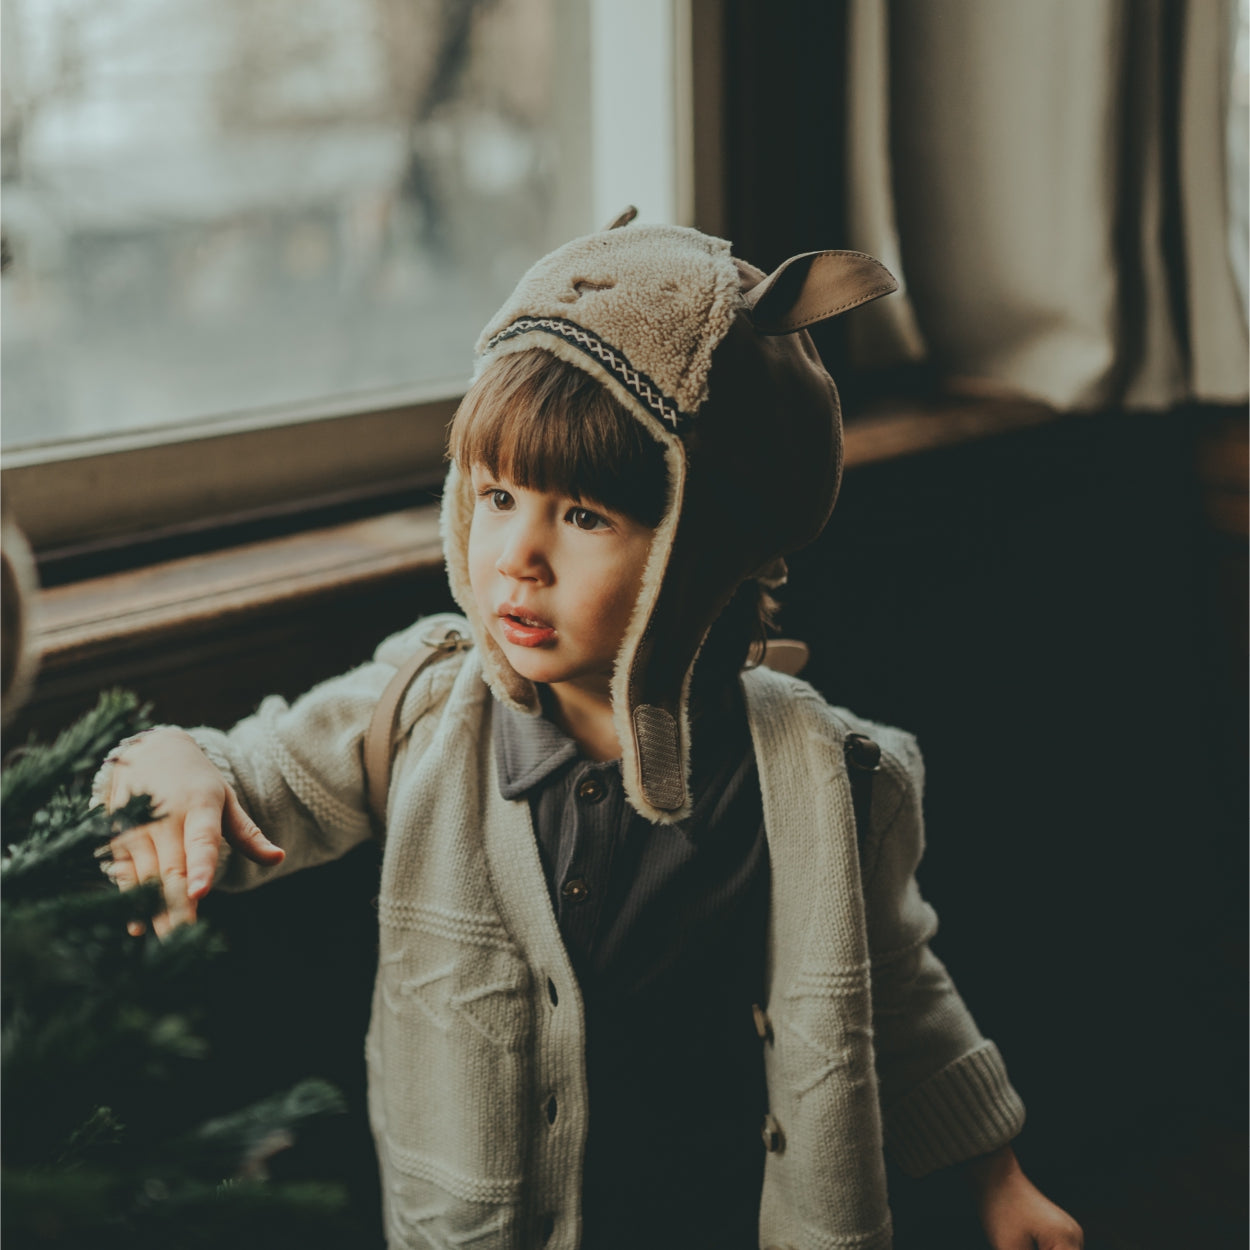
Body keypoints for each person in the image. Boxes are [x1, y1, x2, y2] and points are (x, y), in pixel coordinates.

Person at [95, 215, 1084, 1250]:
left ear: (710, 542)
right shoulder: (421, 708)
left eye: (583, 515)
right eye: (495, 495)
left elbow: (895, 987)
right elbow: (258, 775)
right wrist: (168, 761)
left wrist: (996, 1177)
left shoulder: (831, 780)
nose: (515, 554)